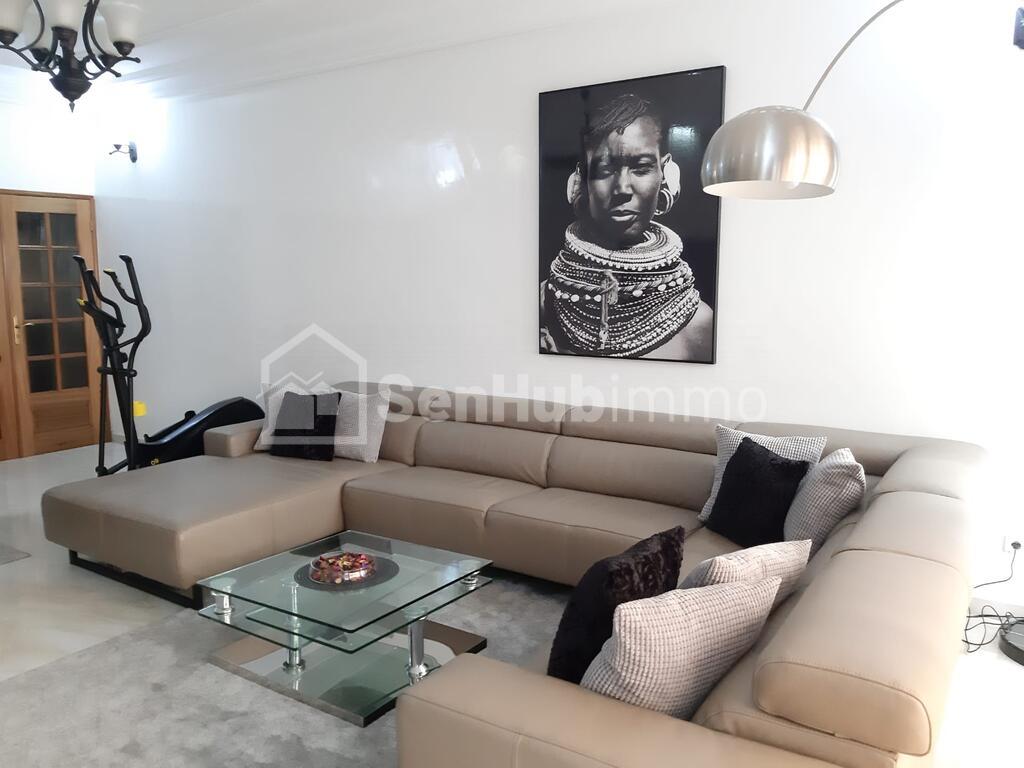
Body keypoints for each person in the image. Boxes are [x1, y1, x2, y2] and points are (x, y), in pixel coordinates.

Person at [540, 93, 713, 360]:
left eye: (641, 168)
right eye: (604, 170)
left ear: (666, 175)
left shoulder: (698, 326)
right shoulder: (544, 303)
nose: (622, 189)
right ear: (580, 180)